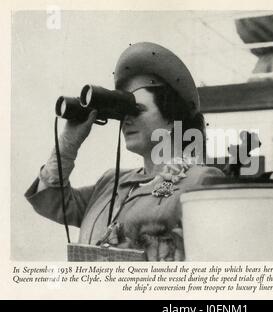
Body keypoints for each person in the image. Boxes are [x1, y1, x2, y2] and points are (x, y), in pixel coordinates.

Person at [25, 42, 224, 261]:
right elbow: (50, 200)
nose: (126, 119)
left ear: (171, 118)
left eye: (136, 110)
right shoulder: (110, 182)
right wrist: (68, 143)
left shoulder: (200, 180)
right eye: (123, 112)